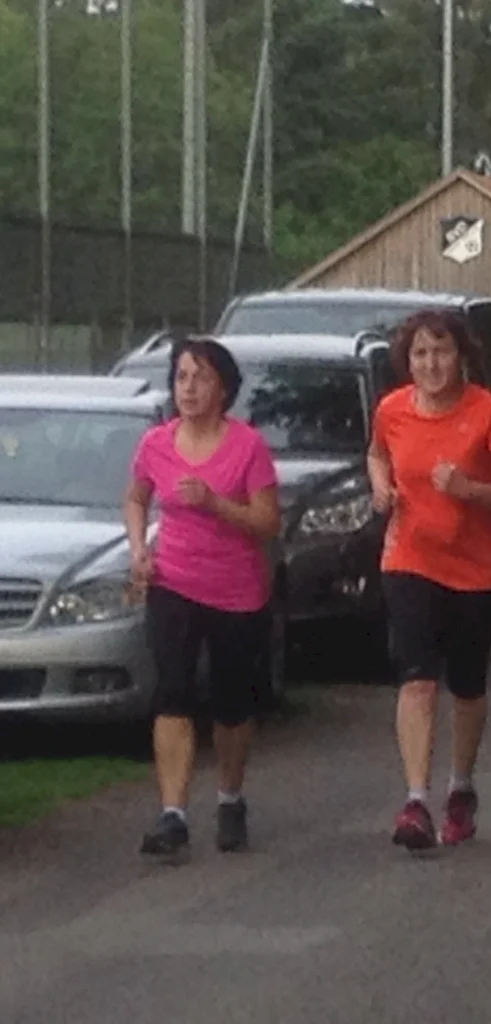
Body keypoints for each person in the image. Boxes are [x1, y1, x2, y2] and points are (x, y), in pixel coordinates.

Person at [367, 309, 491, 852]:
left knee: (466, 684)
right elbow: (376, 454)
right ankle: (415, 802)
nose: (431, 363)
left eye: (440, 352)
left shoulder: (488, 413)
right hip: (409, 558)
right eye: (420, 353)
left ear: (461, 357)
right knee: (416, 678)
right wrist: (380, 486)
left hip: (478, 570)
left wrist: (469, 490)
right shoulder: (392, 410)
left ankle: (460, 789)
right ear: (407, 361)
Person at [124, 337, 281, 857]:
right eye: (182, 378)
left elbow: (267, 522)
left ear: (224, 389)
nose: (189, 388)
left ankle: (230, 798)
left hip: (236, 591)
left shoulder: (247, 446)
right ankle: (172, 814)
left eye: (201, 378)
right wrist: (138, 549)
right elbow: (136, 497)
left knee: (231, 704)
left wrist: (215, 503)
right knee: (173, 692)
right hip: (173, 582)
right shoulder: (156, 443)